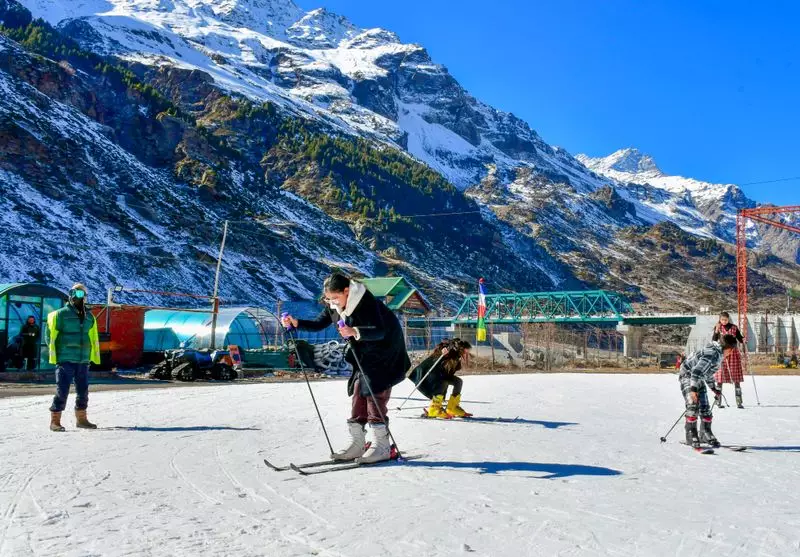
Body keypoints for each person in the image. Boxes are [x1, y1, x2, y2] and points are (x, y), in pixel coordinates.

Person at [282, 273, 410, 464]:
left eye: (335, 297)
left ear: (347, 291)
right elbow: (319, 324)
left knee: (375, 393)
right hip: (365, 355)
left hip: (386, 354)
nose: (332, 302)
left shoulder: (366, 303)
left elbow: (380, 331)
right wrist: (297, 323)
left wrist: (355, 331)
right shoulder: (334, 305)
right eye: (328, 298)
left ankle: (382, 446)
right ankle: (357, 444)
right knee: (359, 392)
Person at [47, 283, 101, 432]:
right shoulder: (61, 314)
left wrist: (90, 356)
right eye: (76, 293)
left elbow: (92, 337)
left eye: (82, 294)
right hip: (65, 359)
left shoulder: (90, 317)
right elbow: (49, 336)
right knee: (62, 390)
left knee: (83, 391)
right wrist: (58, 354)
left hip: (83, 360)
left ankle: (82, 419)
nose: (80, 297)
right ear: (70, 294)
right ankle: (55, 421)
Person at [679, 335, 738, 448]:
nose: (730, 353)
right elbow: (696, 372)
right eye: (731, 351)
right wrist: (693, 390)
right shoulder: (712, 353)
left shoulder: (718, 354)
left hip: (697, 378)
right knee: (693, 404)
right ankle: (691, 433)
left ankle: (705, 433)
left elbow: (707, 373)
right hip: (687, 375)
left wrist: (713, 388)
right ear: (728, 349)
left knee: (705, 407)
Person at [409, 338, 473, 418]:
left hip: (440, 375)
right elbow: (441, 349)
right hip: (429, 374)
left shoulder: (457, 356)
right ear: (462, 349)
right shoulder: (449, 349)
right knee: (443, 382)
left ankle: (452, 407)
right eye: (466, 351)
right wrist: (443, 350)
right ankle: (434, 409)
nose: (467, 353)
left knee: (458, 382)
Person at [712, 311, 746, 408]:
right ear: (720, 319)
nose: (724, 321)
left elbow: (739, 338)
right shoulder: (718, 327)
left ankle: (739, 402)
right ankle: (718, 402)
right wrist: (716, 331)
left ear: (728, 319)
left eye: (726, 319)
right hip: (722, 353)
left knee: (736, 379)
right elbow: (714, 340)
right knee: (720, 378)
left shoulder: (734, 327)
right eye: (722, 320)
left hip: (733, 353)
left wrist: (743, 340)